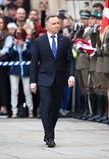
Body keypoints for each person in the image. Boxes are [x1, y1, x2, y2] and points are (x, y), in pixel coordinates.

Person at [30, 15, 75, 147]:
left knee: (55, 109)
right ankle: (50, 136)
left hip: (60, 79)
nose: (57, 25)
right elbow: (34, 63)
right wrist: (33, 81)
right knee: (47, 105)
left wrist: (71, 75)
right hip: (44, 79)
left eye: (58, 23)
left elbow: (70, 60)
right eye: (54, 23)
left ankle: (48, 131)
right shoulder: (39, 41)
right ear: (47, 26)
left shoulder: (65, 40)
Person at [6, 27, 34, 118]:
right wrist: (15, 46)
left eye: (20, 33)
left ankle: (30, 111)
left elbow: (30, 55)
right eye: (17, 33)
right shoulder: (12, 44)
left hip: (26, 70)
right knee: (14, 91)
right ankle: (14, 111)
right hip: (14, 70)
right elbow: (10, 55)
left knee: (27, 90)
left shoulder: (29, 43)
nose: (19, 35)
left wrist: (23, 47)